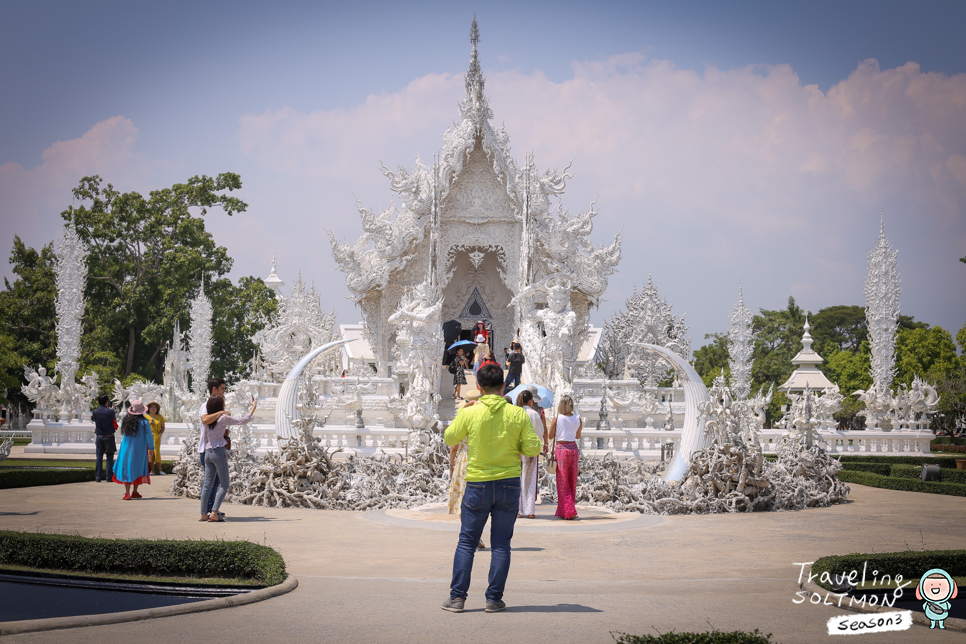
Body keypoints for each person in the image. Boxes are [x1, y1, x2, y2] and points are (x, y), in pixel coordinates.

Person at [441, 364, 540, 614]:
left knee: (467, 542)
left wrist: (464, 413)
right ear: (503, 386)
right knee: (501, 544)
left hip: (477, 483)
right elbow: (532, 449)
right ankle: (493, 599)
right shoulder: (517, 414)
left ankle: (457, 599)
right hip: (508, 483)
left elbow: (450, 438)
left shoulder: (471, 413)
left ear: (480, 388)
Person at [198, 394, 256, 522]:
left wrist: (221, 433)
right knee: (224, 484)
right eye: (223, 402)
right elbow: (243, 420)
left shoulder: (208, 419)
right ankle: (213, 512)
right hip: (218, 452)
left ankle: (203, 514)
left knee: (207, 485)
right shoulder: (223, 418)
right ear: (220, 405)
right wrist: (254, 407)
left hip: (208, 452)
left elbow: (207, 437)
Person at [447, 390, 485, 550]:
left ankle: (470, 534)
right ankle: (476, 535)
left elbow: (453, 446)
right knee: (478, 501)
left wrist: (451, 465)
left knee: (463, 500)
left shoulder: (462, 418)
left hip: (463, 461)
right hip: (480, 459)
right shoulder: (484, 418)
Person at [516, 389, 548, 519]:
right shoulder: (534, 414)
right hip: (530, 450)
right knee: (529, 479)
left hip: (516, 449)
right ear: (530, 401)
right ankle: (530, 510)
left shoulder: (515, 413)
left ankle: (518, 510)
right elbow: (540, 431)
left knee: (517, 479)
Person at [549, 394, 582, 520]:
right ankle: (567, 509)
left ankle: (568, 510)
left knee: (562, 481)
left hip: (562, 449)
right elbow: (577, 436)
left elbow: (551, 436)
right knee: (572, 480)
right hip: (574, 450)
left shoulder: (557, 418)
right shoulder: (578, 418)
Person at [199, 377, 228, 518]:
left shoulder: (214, 405)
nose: (224, 391)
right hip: (208, 449)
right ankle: (210, 511)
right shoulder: (206, 405)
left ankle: (207, 511)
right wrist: (221, 413)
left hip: (211, 448)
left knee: (213, 483)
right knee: (211, 483)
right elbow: (205, 419)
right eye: (222, 388)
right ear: (214, 389)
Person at [113, 400, 152, 499]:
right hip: (140, 448)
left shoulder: (126, 420)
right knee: (137, 468)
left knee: (127, 467)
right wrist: (151, 447)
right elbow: (149, 436)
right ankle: (135, 491)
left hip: (126, 447)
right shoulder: (144, 421)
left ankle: (127, 493)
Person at [91, 394, 117, 482]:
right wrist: (111, 410)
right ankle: (109, 477)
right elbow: (113, 422)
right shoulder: (110, 412)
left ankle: (98, 477)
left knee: (99, 457)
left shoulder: (95, 411)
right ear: (107, 402)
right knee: (109, 457)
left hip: (99, 436)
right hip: (109, 436)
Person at [145, 402, 166, 476]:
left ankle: (160, 470)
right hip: (148, 437)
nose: (153, 409)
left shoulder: (160, 417)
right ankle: (152, 471)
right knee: (150, 453)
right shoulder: (146, 417)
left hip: (156, 437)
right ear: (149, 409)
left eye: (155, 407)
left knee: (157, 453)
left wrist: (160, 434)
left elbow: (163, 427)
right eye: (151, 407)